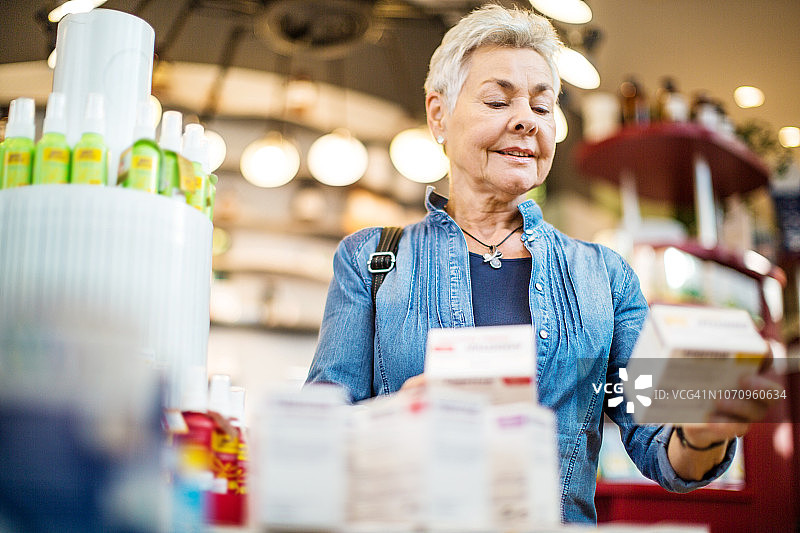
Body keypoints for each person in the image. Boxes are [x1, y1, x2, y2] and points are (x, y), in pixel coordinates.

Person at [306, 3, 780, 524]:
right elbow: (317, 435)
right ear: (438, 114)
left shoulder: (604, 276)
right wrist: (395, 420)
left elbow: (660, 442)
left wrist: (702, 432)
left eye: (542, 105)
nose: (525, 121)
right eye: (497, 100)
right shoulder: (373, 259)